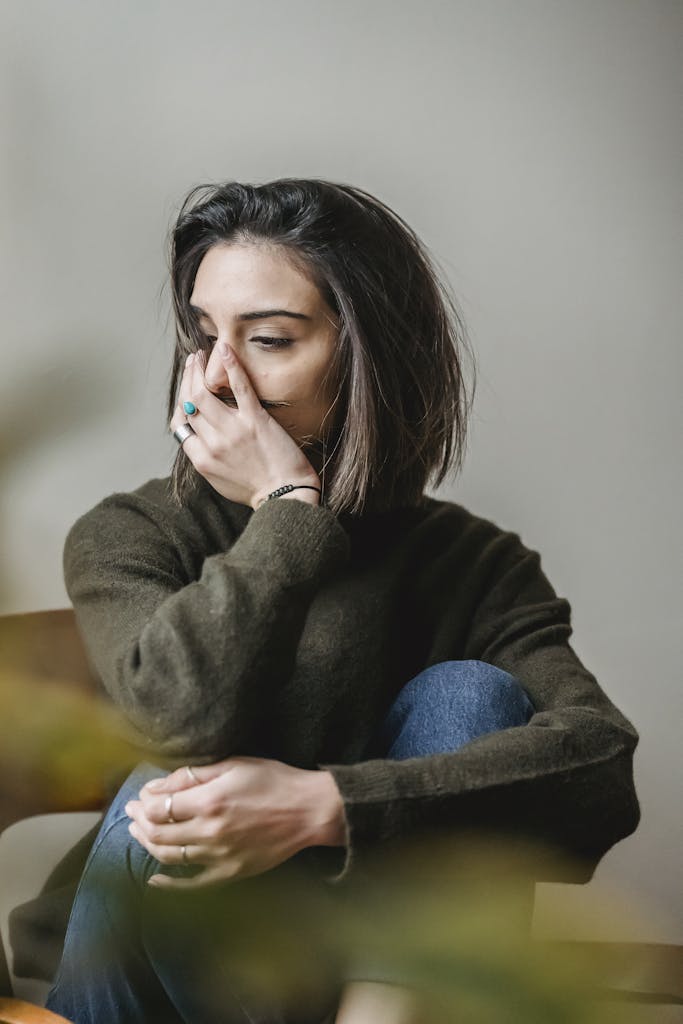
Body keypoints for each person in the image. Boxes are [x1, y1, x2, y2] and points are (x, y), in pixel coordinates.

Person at [42, 177, 640, 1024]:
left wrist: (325, 808)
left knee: (469, 694)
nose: (218, 377)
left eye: (271, 340)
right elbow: (177, 722)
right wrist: (288, 514)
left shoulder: (468, 564)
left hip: (362, 984)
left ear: (370, 355)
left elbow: (598, 769)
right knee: (171, 783)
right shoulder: (132, 533)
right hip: (145, 978)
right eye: (204, 336)